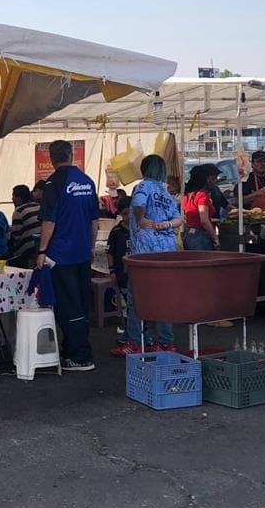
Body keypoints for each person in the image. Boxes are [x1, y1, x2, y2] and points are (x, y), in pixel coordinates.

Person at [37, 140, 101, 370]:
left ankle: (80, 356)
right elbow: (95, 221)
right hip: (82, 253)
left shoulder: (54, 183)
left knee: (68, 305)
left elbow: (49, 221)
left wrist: (42, 251)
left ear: (51, 158)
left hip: (61, 255)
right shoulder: (87, 181)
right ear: (72, 155)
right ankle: (74, 349)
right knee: (81, 303)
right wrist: (91, 247)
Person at [128, 155, 181, 353]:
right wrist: (165, 225)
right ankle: (166, 342)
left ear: (144, 170)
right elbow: (178, 219)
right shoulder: (166, 192)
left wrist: (141, 220)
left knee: (136, 296)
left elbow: (138, 203)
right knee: (164, 296)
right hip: (167, 250)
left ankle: (135, 342)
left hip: (145, 250)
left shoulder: (143, 186)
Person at [107, 194, 145, 357]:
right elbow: (109, 252)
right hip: (122, 273)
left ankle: (137, 337)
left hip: (140, 274)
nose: (128, 216)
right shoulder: (116, 232)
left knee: (137, 308)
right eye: (124, 213)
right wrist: (111, 271)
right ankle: (131, 337)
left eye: (130, 212)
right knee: (130, 308)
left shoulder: (142, 229)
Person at [182, 164, 220, 251]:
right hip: (200, 236)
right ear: (205, 180)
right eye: (213, 178)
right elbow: (204, 221)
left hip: (189, 233)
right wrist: (215, 237)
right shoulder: (202, 196)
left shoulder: (188, 195)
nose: (215, 181)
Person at [7, 185, 41, 268]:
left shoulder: (19, 211)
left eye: (13, 196)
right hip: (41, 245)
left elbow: (16, 236)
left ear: (18, 198)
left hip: (28, 249)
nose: (12, 199)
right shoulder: (39, 206)